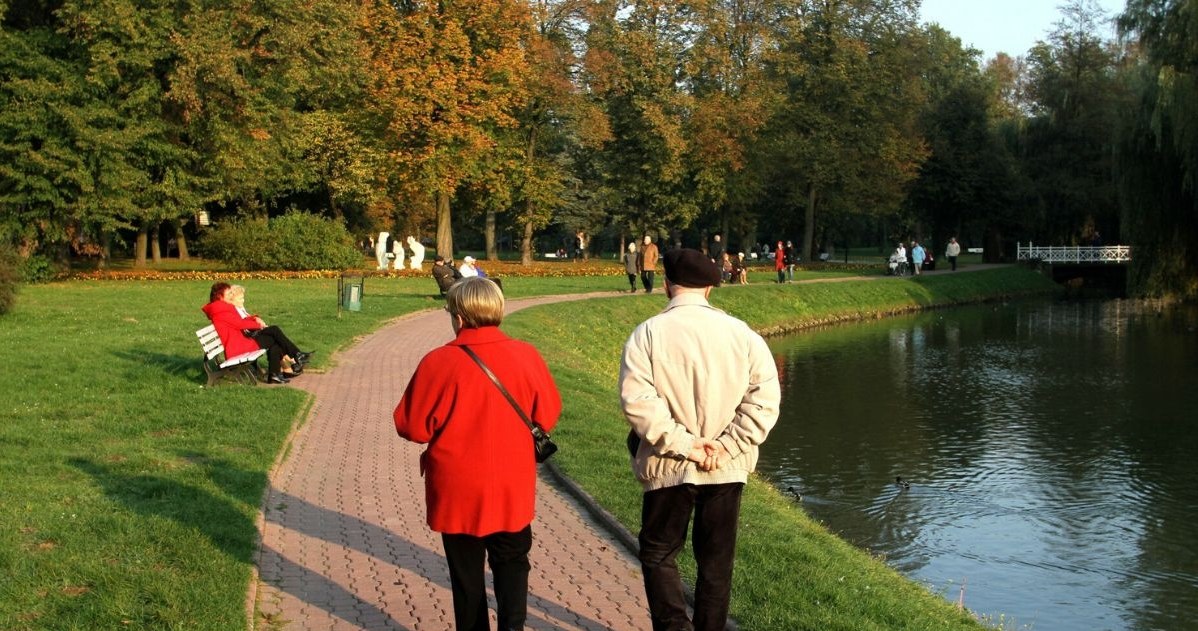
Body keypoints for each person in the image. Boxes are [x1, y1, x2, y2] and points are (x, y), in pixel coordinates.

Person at [619, 248, 781, 631]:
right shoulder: (743, 335)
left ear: (667, 285)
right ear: (710, 287)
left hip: (668, 465)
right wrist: (726, 446)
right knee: (716, 563)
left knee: (659, 552)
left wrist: (685, 444)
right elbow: (765, 399)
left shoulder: (648, 334)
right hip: (725, 468)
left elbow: (638, 401)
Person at [393, 277, 561, 631]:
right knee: (513, 562)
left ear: (459, 317)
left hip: (458, 485)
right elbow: (547, 414)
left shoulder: (439, 361)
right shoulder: (526, 355)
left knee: (466, 575)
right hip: (510, 482)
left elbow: (412, 426)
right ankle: (512, 626)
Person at [202, 282, 311, 384]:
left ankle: (285, 366)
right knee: (274, 332)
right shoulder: (220, 311)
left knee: (274, 335)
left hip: (241, 343)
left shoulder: (221, 308)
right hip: (238, 347)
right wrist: (259, 325)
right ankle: (294, 357)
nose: (232, 295)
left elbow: (241, 321)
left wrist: (255, 320)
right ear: (220, 296)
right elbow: (240, 324)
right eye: (229, 293)